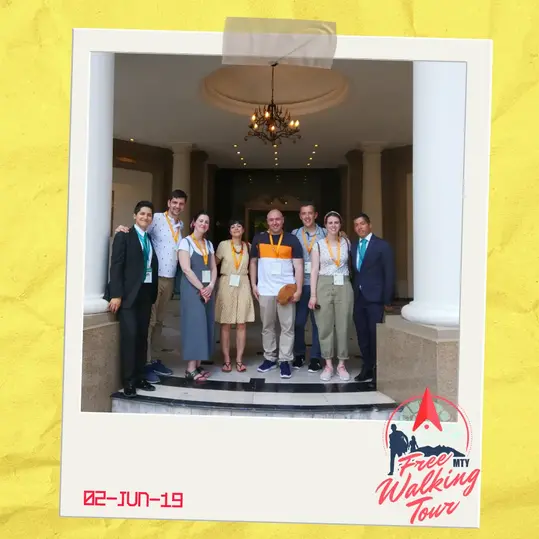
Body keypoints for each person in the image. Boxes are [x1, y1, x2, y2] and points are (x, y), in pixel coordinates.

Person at [115, 189, 188, 383]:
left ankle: (154, 359)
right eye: (174, 202)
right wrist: (123, 229)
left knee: (160, 322)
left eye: (181, 204)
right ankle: (145, 363)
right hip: (154, 278)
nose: (177, 206)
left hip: (169, 278)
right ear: (169, 202)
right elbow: (139, 232)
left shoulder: (180, 225)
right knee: (150, 321)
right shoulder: (156, 218)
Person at [105, 201, 159, 397]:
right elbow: (116, 266)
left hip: (145, 294)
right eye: (142, 214)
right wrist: (116, 294)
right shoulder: (124, 235)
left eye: (149, 215)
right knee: (130, 337)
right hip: (128, 296)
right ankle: (128, 381)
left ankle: (139, 377)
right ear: (135, 216)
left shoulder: (149, 239)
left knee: (142, 337)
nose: (145, 217)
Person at [249, 209, 304, 379]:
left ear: (283, 220)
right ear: (267, 221)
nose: (275, 222)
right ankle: (270, 358)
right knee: (267, 326)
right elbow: (253, 263)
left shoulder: (292, 239)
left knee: (287, 327)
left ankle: (285, 360)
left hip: (286, 290)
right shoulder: (258, 239)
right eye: (271, 220)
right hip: (265, 289)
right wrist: (253, 284)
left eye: (277, 219)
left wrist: (299, 289)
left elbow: (299, 266)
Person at [308, 211, 354, 381]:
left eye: (336, 222)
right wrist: (313, 295)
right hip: (324, 284)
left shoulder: (347, 243)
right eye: (330, 223)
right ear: (325, 225)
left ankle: (341, 364)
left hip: (343, 284)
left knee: (343, 325)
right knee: (324, 325)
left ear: (340, 224)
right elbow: (314, 270)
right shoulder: (318, 245)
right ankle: (328, 364)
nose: (333, 225)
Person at [350, 213, 395, 383]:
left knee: (374, 334)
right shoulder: (354, 246)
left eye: (362, 223)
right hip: (358, 297)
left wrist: (387, 299)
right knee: (362, 335)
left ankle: (377, 370)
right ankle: (367, 367)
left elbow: (389, 273)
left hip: (375, 298)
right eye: (356, 225)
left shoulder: (382, 246)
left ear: (369, 225)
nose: (359, 227)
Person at [178, 211, 217, 382]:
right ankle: (190, 369)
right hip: (192, 289)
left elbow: (214, 268)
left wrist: (211, 286)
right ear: (193, 223)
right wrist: (202, 288)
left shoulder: (208, 244)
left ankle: (199, 364)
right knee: (194, 325)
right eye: (200, 220)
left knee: (206, 324)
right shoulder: (185, 242)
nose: (203, 224)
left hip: (207, 289)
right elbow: (186, 269)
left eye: (206, 222)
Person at [214, 219, 255, 373]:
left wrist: (254, 284)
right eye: (233, 226)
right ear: (229, 230)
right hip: (226, 282)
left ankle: (239, 359)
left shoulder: (248, 246)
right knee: (225, 323)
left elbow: (253, 266)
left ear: (243, 230)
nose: (236, 228)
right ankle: (226, 360)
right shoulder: (223, 245)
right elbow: (213, 263)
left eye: (239, 226)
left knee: (241, 323)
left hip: (243, 283)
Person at [291, 203, 326, 373]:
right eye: (303, 213)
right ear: (300, 216)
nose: (307, 216)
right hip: (300, 284)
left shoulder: (325, 233)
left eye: (310, 213)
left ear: (315, 215)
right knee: (298, 322)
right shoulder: (294, 234)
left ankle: (315, 357)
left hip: (319, 284)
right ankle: (299, 354)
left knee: (318, 322)